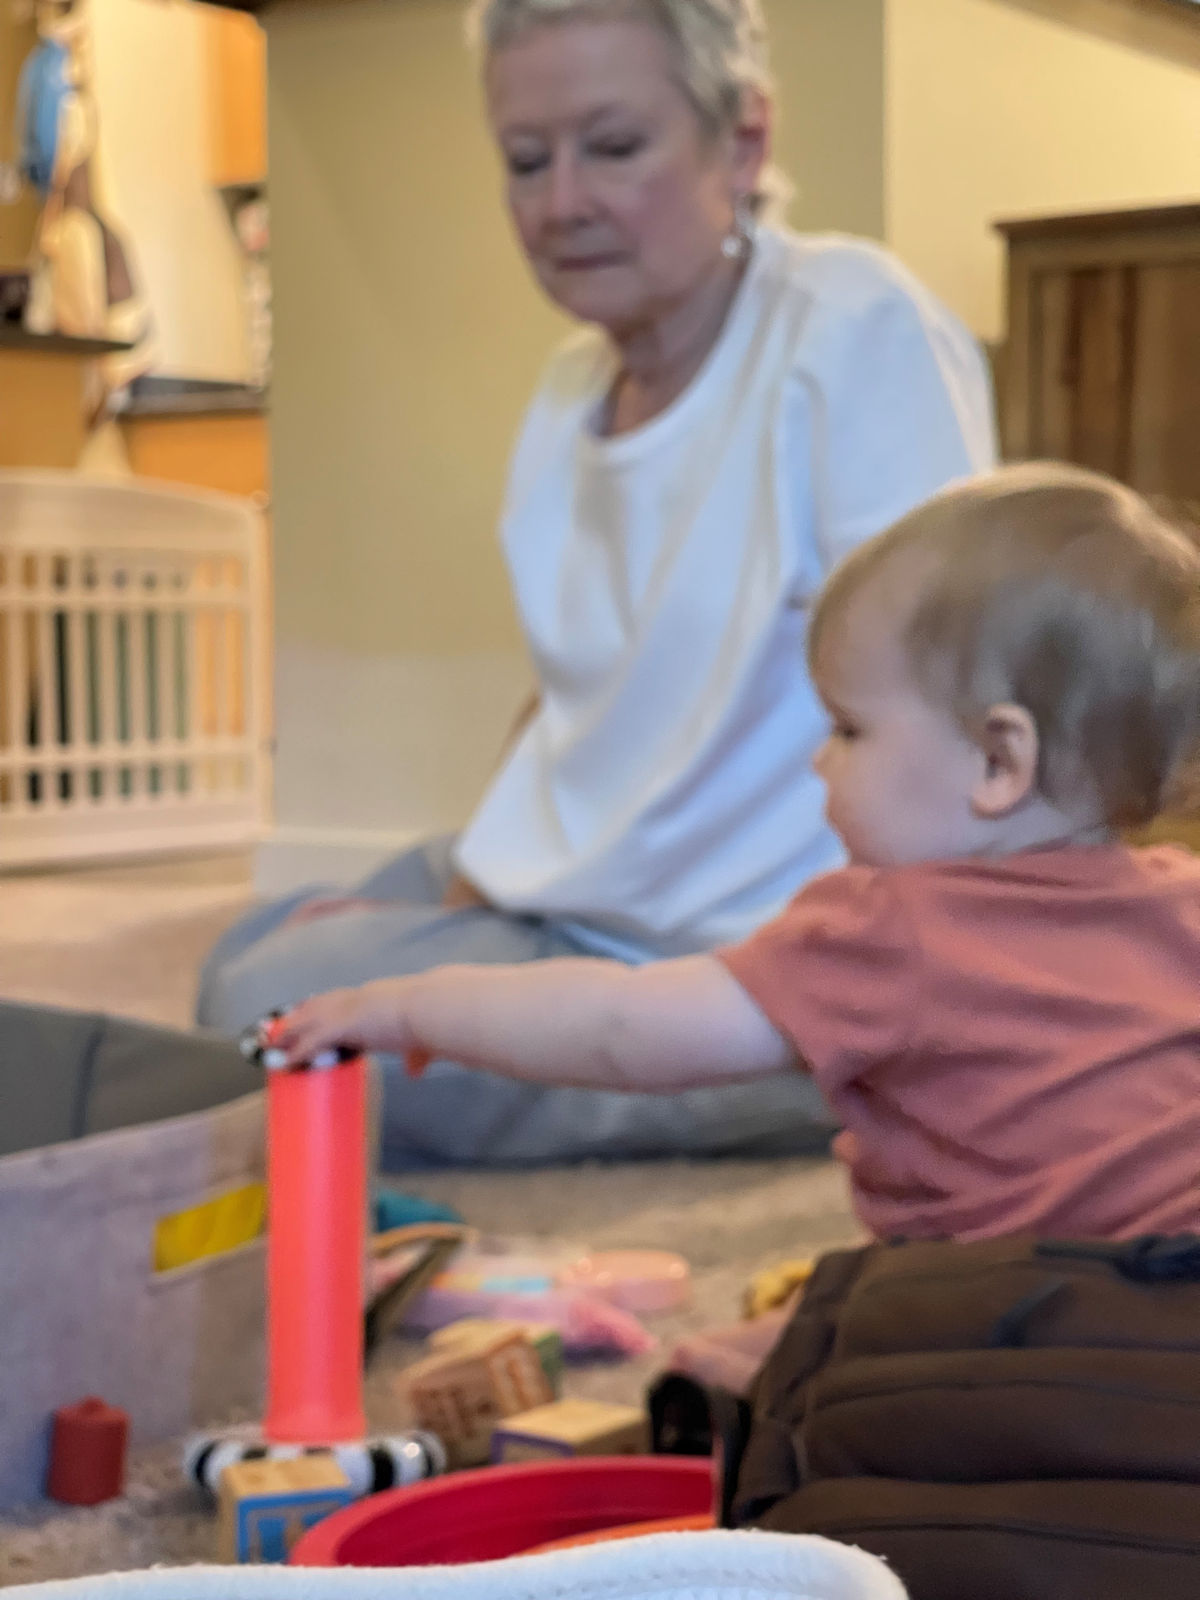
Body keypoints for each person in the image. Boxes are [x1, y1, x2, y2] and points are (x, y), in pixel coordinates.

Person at [198, 0, 996, 1169]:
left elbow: (957, 696)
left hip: (729, 953)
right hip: (579, 892)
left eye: (614, 147)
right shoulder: (570, 389)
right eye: (528, 160)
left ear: (744, 141)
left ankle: (779, 1076)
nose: (562, 201)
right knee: (250, 949)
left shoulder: (852, 329)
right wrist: (470, 896)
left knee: (266, 1009)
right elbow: (572, 701)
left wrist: (882, 1005)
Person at [272, 464, 1200, 1240]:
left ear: (999, 762)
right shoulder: (1182, 896)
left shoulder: (890, 929)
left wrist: (416, 1008)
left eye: (849, 729)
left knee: (782, 1370)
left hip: (1028, 1324)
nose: (818, 759)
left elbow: (621, 1029)